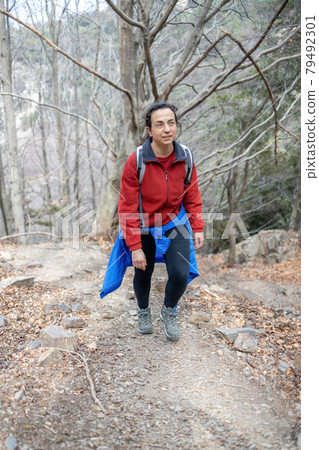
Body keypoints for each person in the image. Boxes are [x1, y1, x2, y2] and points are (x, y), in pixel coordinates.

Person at [118, 101, 204, 341]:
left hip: (174, 222)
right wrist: (134, 246)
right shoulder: (136, 161)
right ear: (149, 130)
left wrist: (197, 226)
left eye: (171, 123)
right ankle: (143, 311)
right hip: (143, 223)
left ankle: (168, 312)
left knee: (180, 272)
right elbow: (126, 206)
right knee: (143, 271)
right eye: (159, 124)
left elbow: (193, 194)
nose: (167, 129)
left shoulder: (185, 157)